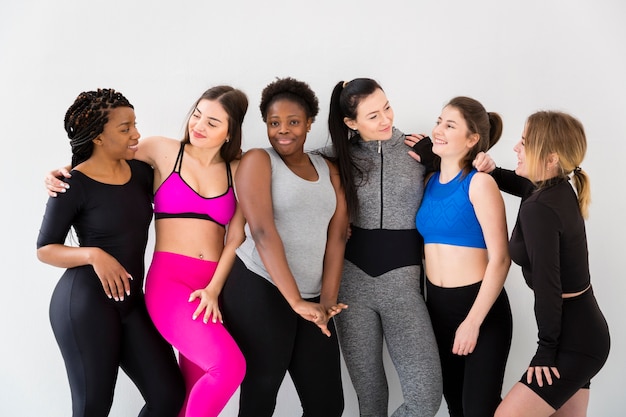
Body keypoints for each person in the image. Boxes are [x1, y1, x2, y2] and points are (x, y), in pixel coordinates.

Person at [44, 86, 249, 417]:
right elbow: (102, 160)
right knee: (228, 367)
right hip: (170, 283)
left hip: (212, 287)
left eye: (212, 123)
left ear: (230, 132)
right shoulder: (160, 150)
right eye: (197, 115)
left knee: (184, 395)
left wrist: (214, 290)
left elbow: (235, 237)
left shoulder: (238, 170)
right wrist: (61, 172)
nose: (198, 125)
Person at [37, 88, 185, 417]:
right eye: (125, 128)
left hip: (132, 303)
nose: (136, 134)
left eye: (135, 124)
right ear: (99, 136)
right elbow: (45, 249)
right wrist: (93, 255)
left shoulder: (141, 174)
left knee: (169, 396)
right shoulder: (72, 185)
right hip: (85, 305)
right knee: (93, 407)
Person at [220, 77, 349, 417]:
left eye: (293, 122)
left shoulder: (328, 169)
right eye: (274, 123)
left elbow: (336, 238)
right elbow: (262, 231)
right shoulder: (258, 161)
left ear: (309, 123)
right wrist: (293, 300)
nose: (283, 130)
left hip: (310, 297)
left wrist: (327, 301)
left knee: (328, 405)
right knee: (262, 394)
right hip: (258, 286)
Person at [474, 111, 610, 417]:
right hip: (584, 332)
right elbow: (524, 187)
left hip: (571, 342)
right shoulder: (556, 187)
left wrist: (546, 351)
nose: (515, 148)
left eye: (524, 142)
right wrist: (493, 172)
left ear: (550, 159)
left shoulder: (541, 208)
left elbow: (549, 287)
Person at [325, 78, 443, 417]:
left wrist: (435, 161)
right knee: (371, 401)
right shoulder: (336, 157)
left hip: (404, 287)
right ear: (351, 123)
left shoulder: (419, 151)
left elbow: (465, 174)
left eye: (387, 107)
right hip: (352, 289)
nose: (386, 119)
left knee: (425, 400)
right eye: (373, 115)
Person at [414, 96, 512, 417]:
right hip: (437, 310)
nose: (438, 129)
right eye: (439, 121)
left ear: (472, 140)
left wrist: (473, 322)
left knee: (478, 410)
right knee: (456, 407)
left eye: (450, 125)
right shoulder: (427, 182)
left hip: (480, 312)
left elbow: (501, 259)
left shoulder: (480, 184)